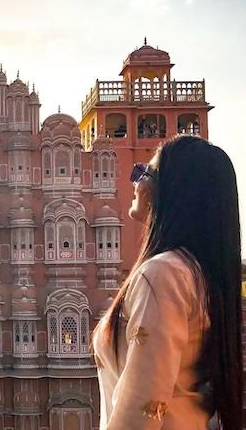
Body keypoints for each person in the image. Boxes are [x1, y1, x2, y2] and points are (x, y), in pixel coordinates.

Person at [93, 135, 242, 430]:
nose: (135, 182)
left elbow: (140, 408)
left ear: (174, 191)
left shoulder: (163, 274)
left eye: (144, 173)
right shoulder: (195, 272)